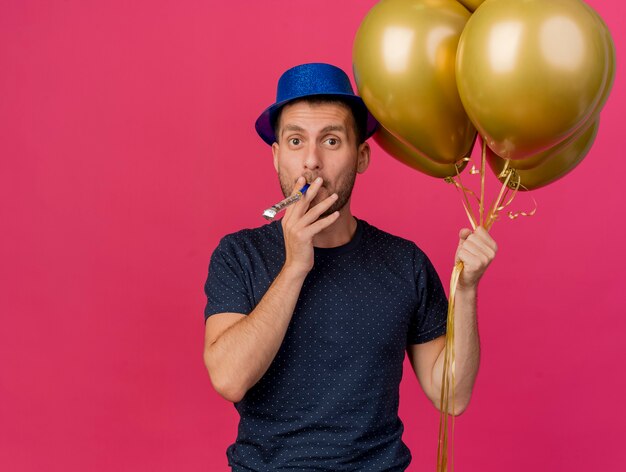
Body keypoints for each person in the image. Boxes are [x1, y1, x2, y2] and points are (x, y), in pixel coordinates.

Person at [203, 63, 497, 471]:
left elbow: (452, 397)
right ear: (275, 157)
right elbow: (229, 379)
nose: (311, 161)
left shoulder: (404, 262)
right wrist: (294, 267)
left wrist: (466, 291)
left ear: (361, 156)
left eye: (331, 140)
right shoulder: (239, 255)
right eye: (294, 141)